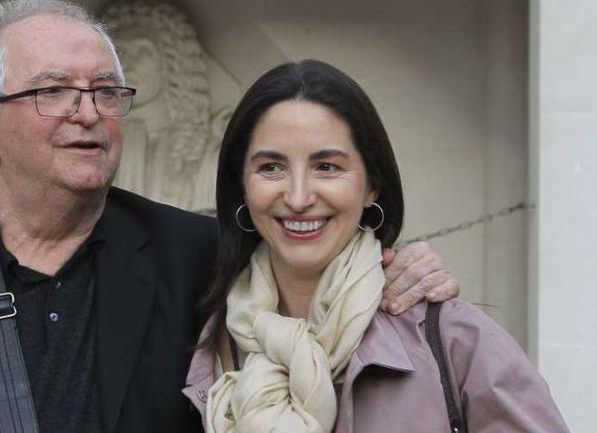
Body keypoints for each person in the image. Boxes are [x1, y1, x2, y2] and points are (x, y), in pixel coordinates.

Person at [0, 0, 457, 432]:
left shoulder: (205, 257)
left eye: (106, 91)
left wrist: (406, 269)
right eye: (54, 90)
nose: (89, 110)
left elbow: (326, 276)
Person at [184, 60, 570, 432]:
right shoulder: (203, 338)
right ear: (242, 187)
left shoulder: (454, 339)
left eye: (327, 167)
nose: (298, 197)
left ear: (372, 185)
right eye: (271, 167)